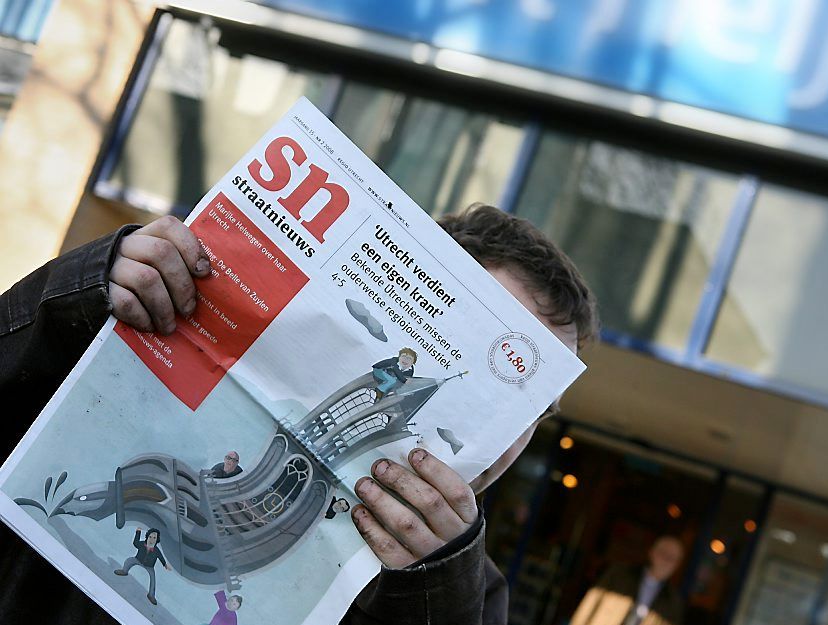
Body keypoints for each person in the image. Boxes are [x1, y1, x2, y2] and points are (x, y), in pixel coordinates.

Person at [0, 203, 597, 624]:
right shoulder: (116, 321)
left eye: (535, 403)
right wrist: (80, 293)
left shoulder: (468, 597)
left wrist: (434, 591)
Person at [570, 536, 686, 625]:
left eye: (672, 558)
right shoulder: (619, 574)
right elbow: (590, 602)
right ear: (652, 553)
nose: (666, 561)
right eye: (664, 553)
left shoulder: (674, 601)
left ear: (677, 565)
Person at [113, 528, 172, 606]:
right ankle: (124, 571)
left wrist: (165, 565)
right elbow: (135, 543)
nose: (152, 539)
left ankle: (151, 595)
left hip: (149, 566)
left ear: (157, 540)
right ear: (147, 537)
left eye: (154, 538)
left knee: (153, 579)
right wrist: (138, 532)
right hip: (138, 560)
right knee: (129, 560)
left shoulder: (156, 551)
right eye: (150, 537)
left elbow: (161, 557)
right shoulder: (142, 543)